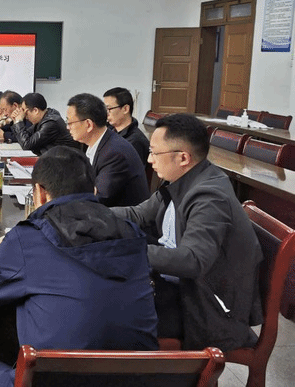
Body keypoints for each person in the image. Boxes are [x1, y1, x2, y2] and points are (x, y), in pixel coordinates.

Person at [0, 147, 158, 387]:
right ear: (94, 190)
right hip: (134, 379)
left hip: (57, 379)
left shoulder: (29, 239)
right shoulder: (132, 233)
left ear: (40, 193)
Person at [112, 114, 263, 351]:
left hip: (206, 310)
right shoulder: (181, 179)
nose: (149, 159)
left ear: (183, 157)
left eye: (154, 153)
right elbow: (138, 214)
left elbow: (192, 260)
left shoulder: (209, 196)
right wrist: (87, 211)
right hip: (181, 287)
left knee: (112, 312)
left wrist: (127, 251)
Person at [67, 93, 149, 207]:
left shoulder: (114, 153)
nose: (67, 127)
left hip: (121, 216)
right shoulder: (100, 143)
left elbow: (98, 199)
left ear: (88, 124)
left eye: (70, 122)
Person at [12, 92, 77, 155]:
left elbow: (27, 145)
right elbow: (23, 138)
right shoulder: (43, 119)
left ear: (35, 110)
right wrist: (15, 121)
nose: (24, 116)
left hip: (66, 160)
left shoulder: (51, 122)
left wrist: (19, 121)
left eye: (25, 112)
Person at [104, 87, 150, 164]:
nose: (106, 113)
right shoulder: (109, 130)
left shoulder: (135, 142)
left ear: (125, 109)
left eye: (109, 109)